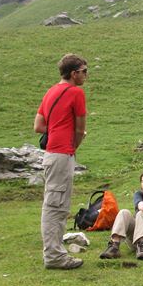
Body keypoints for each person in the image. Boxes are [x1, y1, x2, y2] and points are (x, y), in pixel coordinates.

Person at [33, 53, 88, 270]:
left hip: (51, 155)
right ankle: (54, 256)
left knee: (55, 202)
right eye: (84, 71)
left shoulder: (50, 92)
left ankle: (55, 253)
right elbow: (80, 129)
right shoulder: (76, 92)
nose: (86, 76)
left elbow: (38, 125)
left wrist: (56, 129)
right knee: (56, 206)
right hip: (61, 154)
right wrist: (72, 147)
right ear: (74, 73)